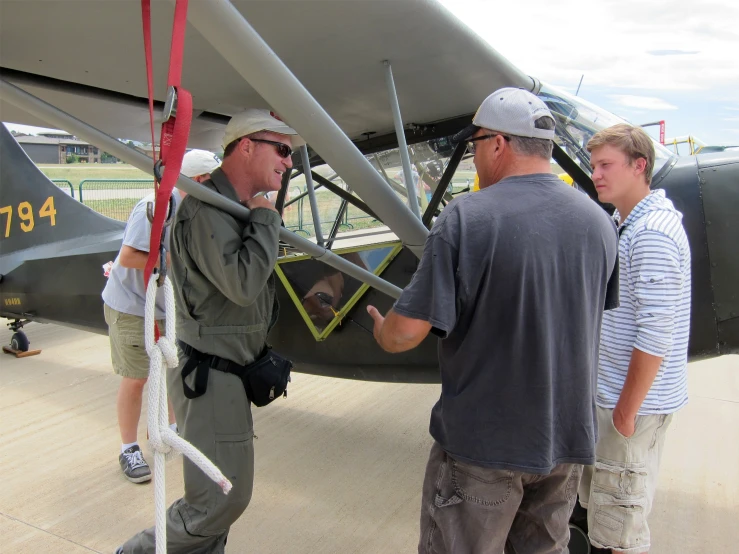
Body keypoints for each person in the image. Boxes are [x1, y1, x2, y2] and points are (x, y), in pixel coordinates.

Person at [367, 87, 620, 554]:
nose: (476, 155)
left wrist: (383, 328)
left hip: (484, 446)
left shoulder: (467, 217)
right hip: (565, 443)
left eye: (476, 143)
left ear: (498, 144)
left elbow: (404, 334)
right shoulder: (599, 222)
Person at [117, 109, 302, 553]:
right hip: (214, 374)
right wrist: (265, 219)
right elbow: (242, 285)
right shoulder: (209, 209)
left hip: (232, 371)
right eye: (281, 149)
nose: (289, 162)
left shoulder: (233, 208)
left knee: (219, 500)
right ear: (245, 146)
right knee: (222, 499)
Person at [578, 124, 691, 554]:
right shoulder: (626, 224)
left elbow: (656, 333)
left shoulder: (652, 234)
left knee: (618, 528)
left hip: (632, 410)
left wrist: (625, 413)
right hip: (616, 399)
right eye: (594, 165)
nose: (596, 175)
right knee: (604, 513)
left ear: (639, 166)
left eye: (606, 165)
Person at [103, 149, 221, 484]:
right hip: (131, 306)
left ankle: (171, 428)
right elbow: (128, 256)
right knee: (137, 378)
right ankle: (128, 448)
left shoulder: (197, 210)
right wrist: (179, 266)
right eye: (210, 182)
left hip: (164, 307)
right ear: (196, 181)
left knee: (172, 368)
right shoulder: (157, 206)